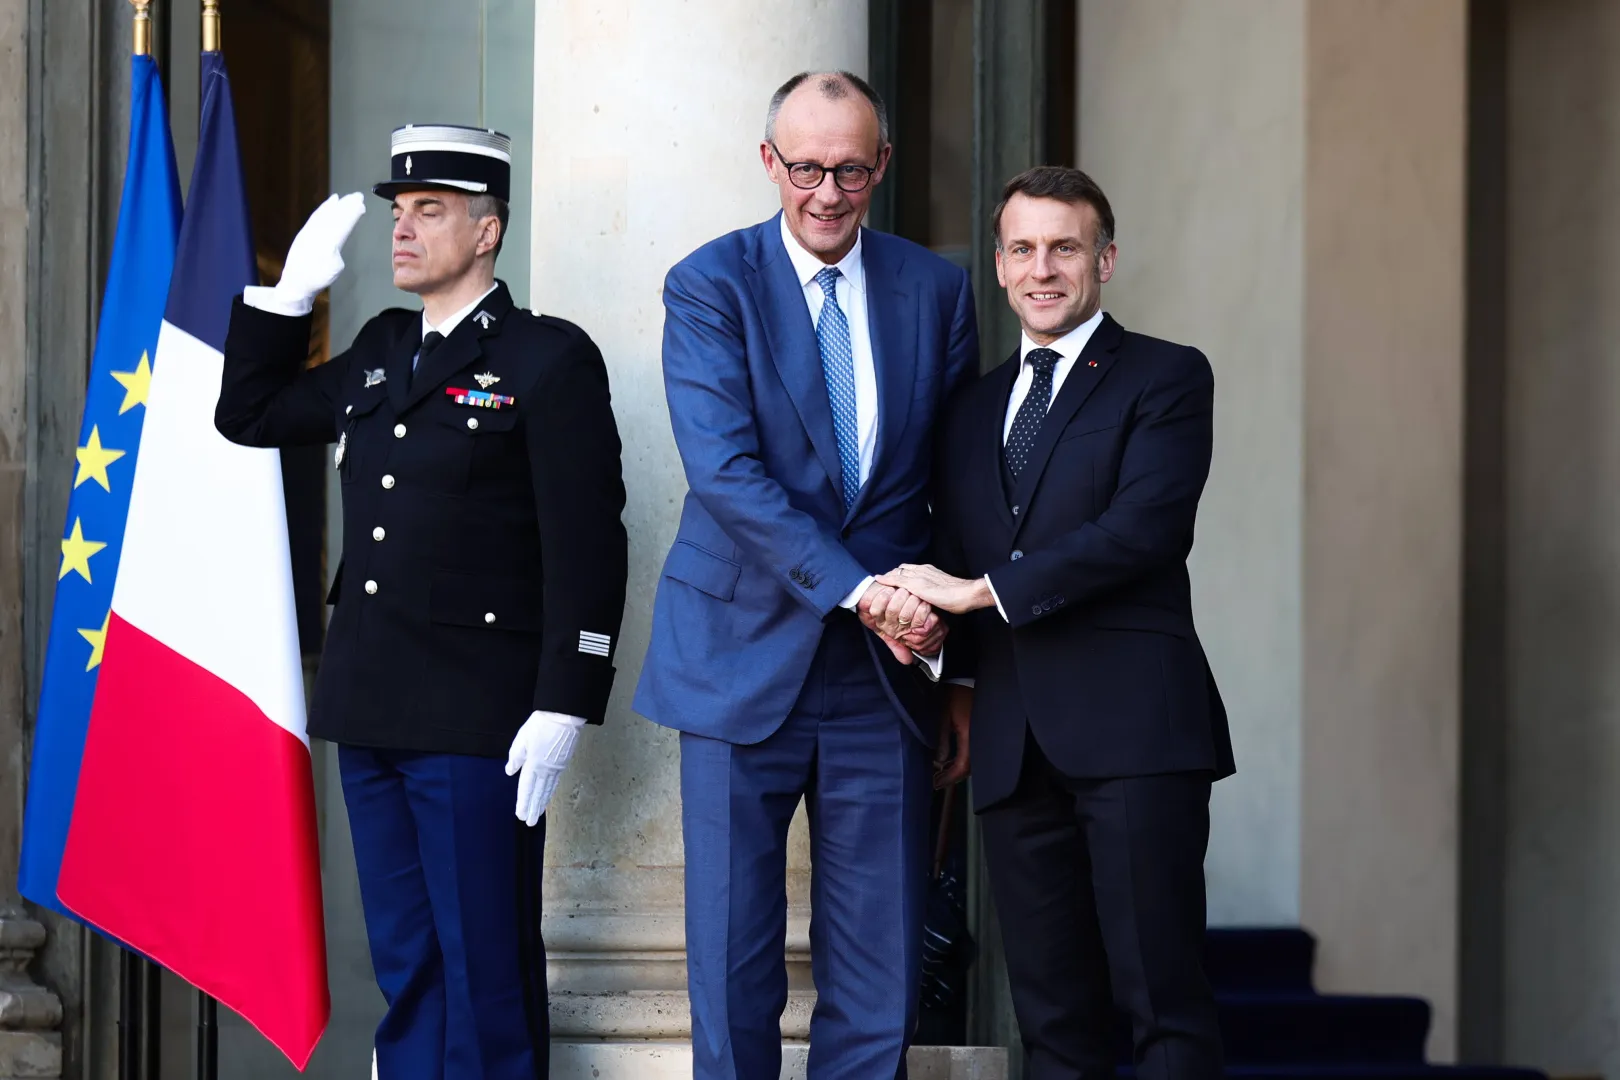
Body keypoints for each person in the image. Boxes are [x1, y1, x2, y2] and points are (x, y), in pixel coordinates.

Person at [215, 124, 628, 1080]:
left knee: (484, 966)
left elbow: (589, 540)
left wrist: (567, 696)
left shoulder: (544, 358)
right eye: (399, 212)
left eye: (428, 212)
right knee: (409, 963)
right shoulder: (381, 346)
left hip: (476, 716)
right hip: (372, 705)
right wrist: (285, 300)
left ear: (488, 232)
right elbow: (252, 415)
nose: (402, 231)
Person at [632, 72, 979, 1079]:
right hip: (741, 659)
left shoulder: (938, 290)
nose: (828, 192)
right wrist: (865, 592)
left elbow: (953, 492)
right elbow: (728, 478)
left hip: (888, 682)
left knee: (879, 975)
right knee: (734, 968)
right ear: (768, 162)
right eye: (808, 168)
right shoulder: (710, 284)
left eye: (852, 169)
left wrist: (960, 671)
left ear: (881, 166)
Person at [879, 165, 1234, 1080]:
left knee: (1164, 1009)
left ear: (1104, 259)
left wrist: (983, 591)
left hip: (1136, 737)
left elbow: (1143, 531)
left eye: (1065, 248)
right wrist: (954, 681)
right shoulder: (969, 409)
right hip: (1009, 745)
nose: (1044, 268)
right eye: (1024, 248)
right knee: (1053, 1025)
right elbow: (952, 547)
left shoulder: (1166, 376)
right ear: (998, 265)